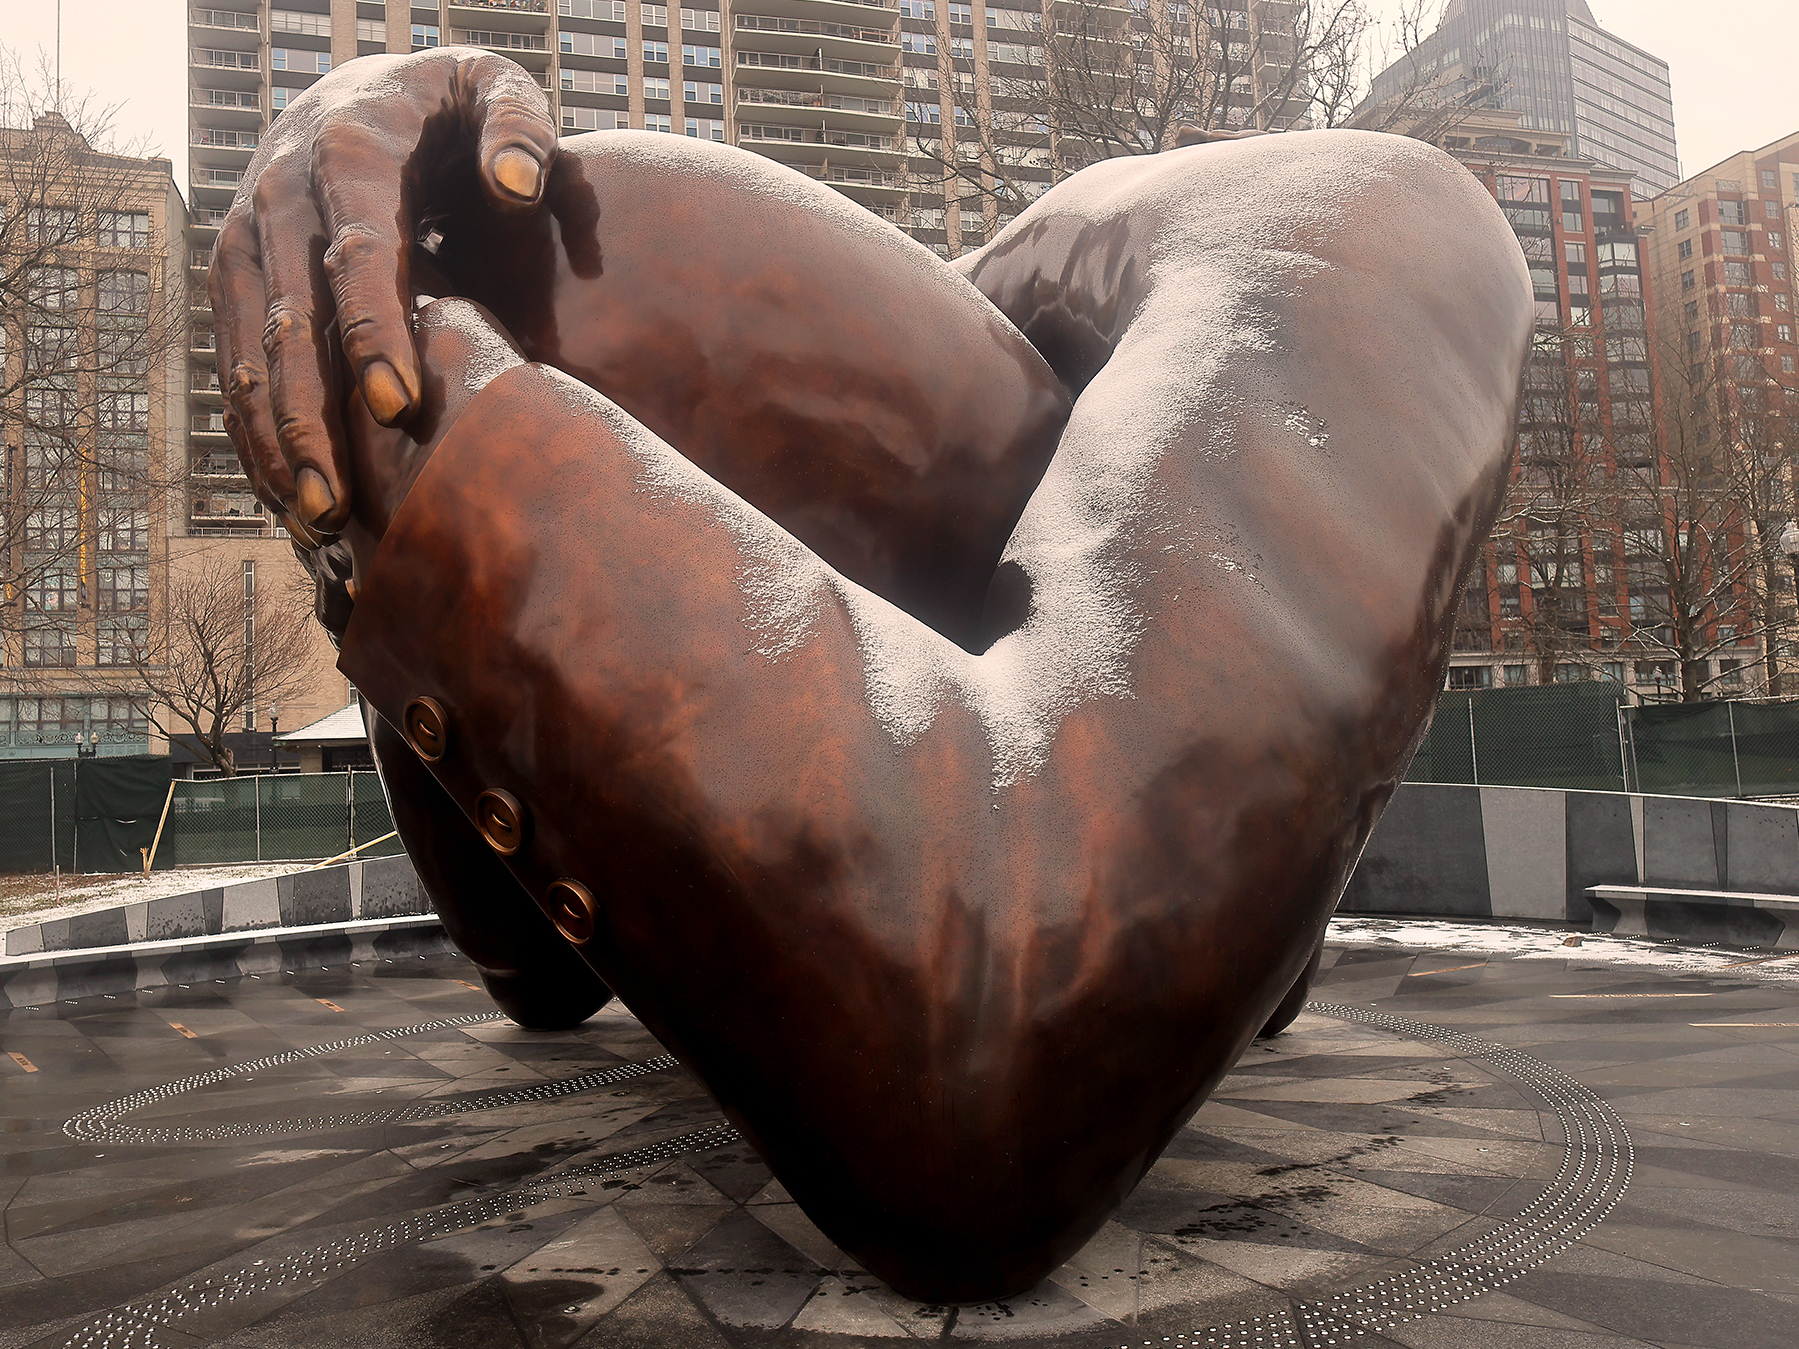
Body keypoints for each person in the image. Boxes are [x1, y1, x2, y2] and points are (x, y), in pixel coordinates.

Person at [210, 48, 1532, 1303]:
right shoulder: (1001, 369)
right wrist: (354, 337)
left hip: (1259, 358)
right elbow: (530, 962)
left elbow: (994, 1059)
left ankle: (1229, 900)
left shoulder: (1373, 229)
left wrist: (404, 418)